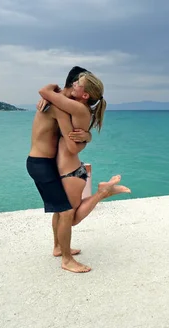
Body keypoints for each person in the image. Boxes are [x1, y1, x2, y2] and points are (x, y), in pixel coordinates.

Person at [26, 67, 130, 273]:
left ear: (83, 92)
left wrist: (87, 136)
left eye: (79, 84)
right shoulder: (57, 105)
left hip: (47, 164)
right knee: (66, 213)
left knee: (61, 211)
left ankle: (59, 248)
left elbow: (72, 140)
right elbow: (45, 92)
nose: (75, 85)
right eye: (76, 82)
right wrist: (87, 136)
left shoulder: (60, 105)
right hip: (41, 164)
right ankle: (66, 259)